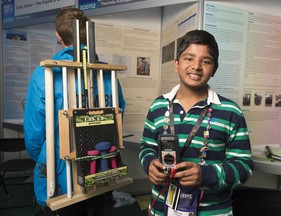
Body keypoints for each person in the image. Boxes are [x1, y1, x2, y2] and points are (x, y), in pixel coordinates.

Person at [139, 29, 253, 216]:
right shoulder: (158, 106)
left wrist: (206, 174)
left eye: (205, 61)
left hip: (213, 212)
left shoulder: (231, 112)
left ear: (214, 68)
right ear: (176, 64)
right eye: (188, 58)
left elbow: (244, 166)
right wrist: (150, 163)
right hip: (161, 209)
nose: (196, 66)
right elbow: (146, 146)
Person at [24, 8, 126, 216]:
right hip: (101, 166)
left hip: (59, 174)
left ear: (58, 36)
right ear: (87, 34)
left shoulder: (45, 74)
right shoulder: (106, 74)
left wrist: (48, 159)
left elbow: (35, 134)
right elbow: (117, 117)